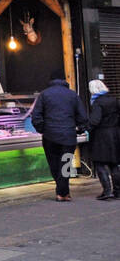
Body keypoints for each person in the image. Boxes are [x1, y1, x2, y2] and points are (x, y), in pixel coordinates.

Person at [30, 71, 88, 201]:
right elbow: (82, 116)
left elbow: (36, 117)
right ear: (64, 79)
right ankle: (63, 192)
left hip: (50, 136)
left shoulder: (44, 95)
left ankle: (61, 192)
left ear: (51, 80)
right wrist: (79, 129)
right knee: (66, 164)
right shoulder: (73, 95)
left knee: (54, 164)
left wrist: (43, 130)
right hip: (68, 136)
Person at [88, 80, 119, 200]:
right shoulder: (114, 100)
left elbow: (95, 120)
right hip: (115, 134)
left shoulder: (97, 102)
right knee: (114, 164)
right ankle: (118, 191)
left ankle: (107, 191)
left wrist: (86, 128)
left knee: (100, 163)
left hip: (101, 136)